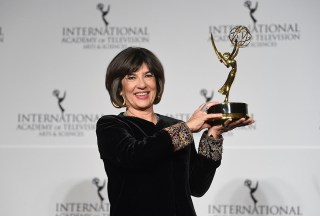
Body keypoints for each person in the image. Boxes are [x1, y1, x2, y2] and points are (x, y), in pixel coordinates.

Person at [96, 47, 254, 216]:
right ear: (119, 88)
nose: (142, 84)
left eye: (148, 75)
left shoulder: (175, 126)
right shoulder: (111, 125)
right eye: (132, 77)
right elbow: (135, 155)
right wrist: (187, 128)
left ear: (157, 83)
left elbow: (196, 186)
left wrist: (213, 134)